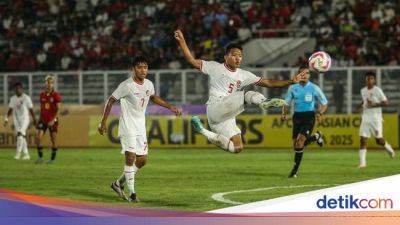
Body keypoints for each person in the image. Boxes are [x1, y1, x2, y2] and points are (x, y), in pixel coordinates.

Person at [174, 29, 305, 153]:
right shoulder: (215, 67)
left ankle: (201, 130)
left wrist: (291, 81)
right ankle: (264, 102)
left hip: (224, 118)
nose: (238, 58)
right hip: (216, 106)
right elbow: (192, 61)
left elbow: (268, 82)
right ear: (226, 57)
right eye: (234, 55)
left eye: (240, 56)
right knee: (246, 94)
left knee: (237, 147)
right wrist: (182, 42)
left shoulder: (244, 74)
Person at [98, 56, 182, 202]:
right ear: (133, 69)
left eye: (145, 67)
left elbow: (153, 97)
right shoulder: (127, 85)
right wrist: (103, 122)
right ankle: (132, 193)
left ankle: (118, 183)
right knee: (130, 157)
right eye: (140, 67)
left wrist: (170, 107)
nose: (143, 70)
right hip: (127, 126)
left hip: (140, 126)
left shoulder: (148, 84)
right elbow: (111, 100)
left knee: (142, 160)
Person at [281, 65, 327, 178]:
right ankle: (316, 137)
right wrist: (283, 113)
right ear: (298, 75)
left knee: (300, 142)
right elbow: (286, 103)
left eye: (307, 73)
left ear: (309, 75)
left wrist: (320, 113)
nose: (304, 75)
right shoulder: (293, 88)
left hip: (309, 116)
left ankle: (294, 172)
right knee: (296, 145)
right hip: (297, 117)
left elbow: (324, 103)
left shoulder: (314, 88)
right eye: (302, 73)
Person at [357, 72, 395, 168]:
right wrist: (360, 105)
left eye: (371, 78)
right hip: (365, 118)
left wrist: (374, 105)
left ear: (374, 80)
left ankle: (389, 148)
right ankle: (362, 163)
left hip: (376, 119)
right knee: (362, 139)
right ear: (365, 80)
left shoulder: (377, 90)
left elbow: (386, 103)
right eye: (368, 78)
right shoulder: (363, 90)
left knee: (379, 140)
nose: (369, 80)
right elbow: (364, 101)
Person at [4, 82, 36, 160]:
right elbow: (10, 110)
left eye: (19, 88)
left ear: (22, 89)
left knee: (20, 134)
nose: (18, 90)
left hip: (25, 119)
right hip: (16, 120)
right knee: (22, 136)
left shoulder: (26, 98)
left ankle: (18, 153)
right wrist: (6, 119)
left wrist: (34, 119)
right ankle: (26, 154)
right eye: (16, 89)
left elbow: (31, 110)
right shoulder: (13, 99)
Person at [35, 75, 62, 164]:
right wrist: (38, 119)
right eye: (48, 83)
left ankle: (53, 159)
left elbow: (58, 110)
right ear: (45, 83)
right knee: (38, 138)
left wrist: (52, 120)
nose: (49, 84)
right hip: (43, 120)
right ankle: (40, 158)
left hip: (53, 120)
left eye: (51, 83)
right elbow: (42, 108)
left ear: (53, 84)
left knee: (53, 139)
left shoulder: (55, 95)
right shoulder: (42, 95)